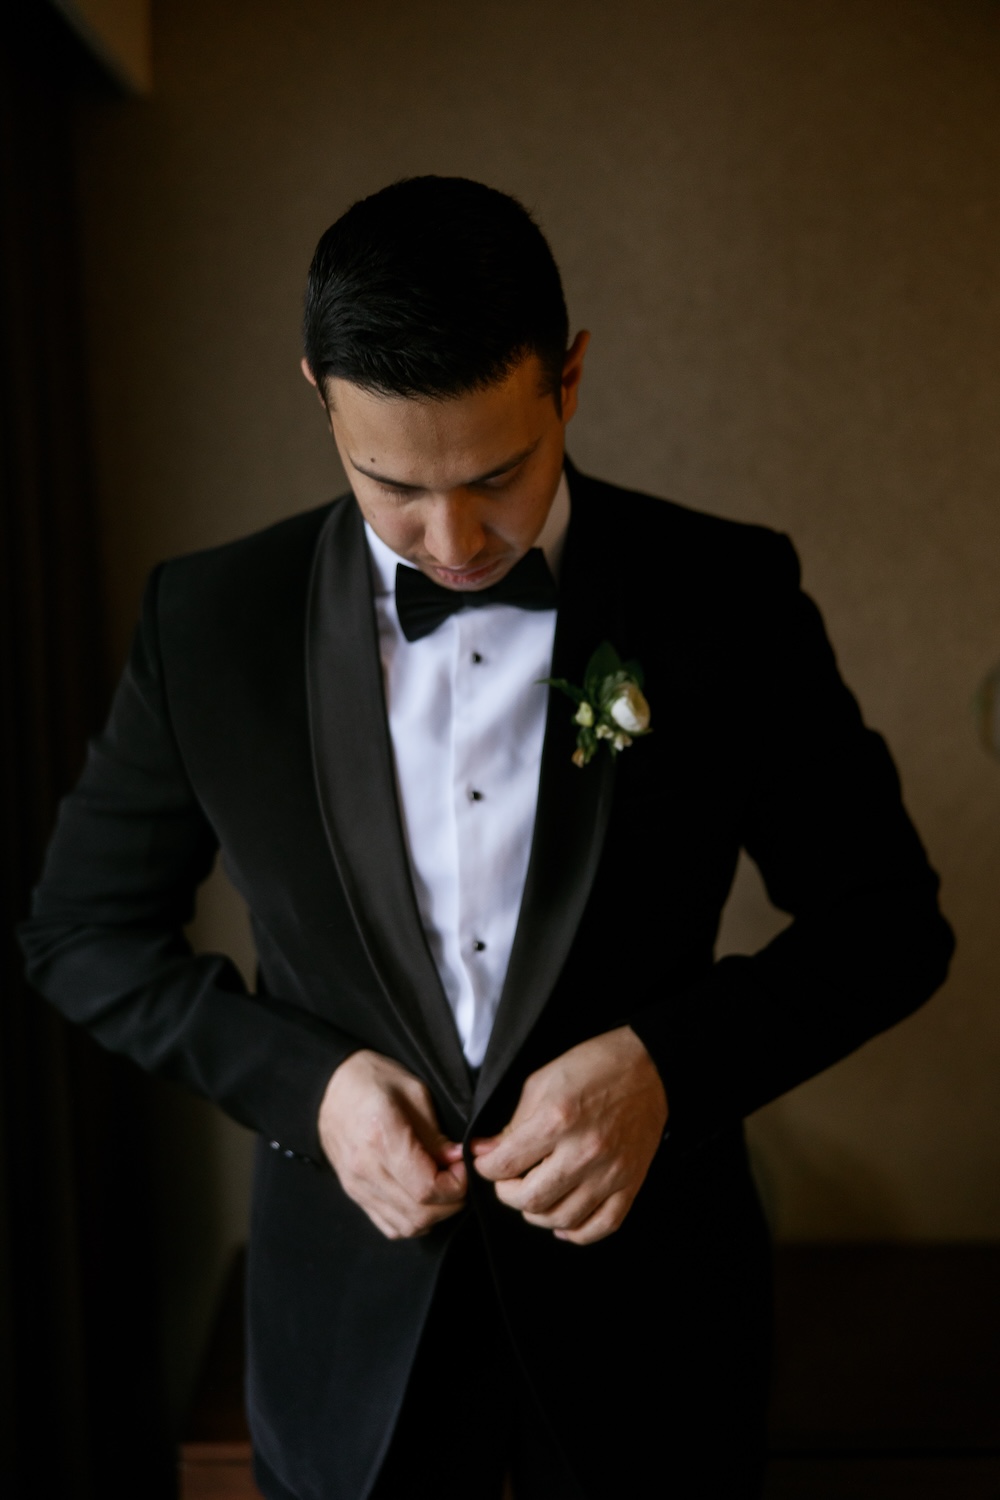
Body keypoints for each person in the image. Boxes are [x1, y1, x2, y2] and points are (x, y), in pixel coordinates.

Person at [20, 176, 954, 1500]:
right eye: (389, 483)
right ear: (319, 396)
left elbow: (889, 922)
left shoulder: (727, 597)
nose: (453, 539)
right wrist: (312, 1087)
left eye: (498, 476)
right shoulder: (210, 625)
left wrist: (666, 1067)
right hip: (344, 1349)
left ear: (569, 377)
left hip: (650, 1341)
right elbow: (77, 933)